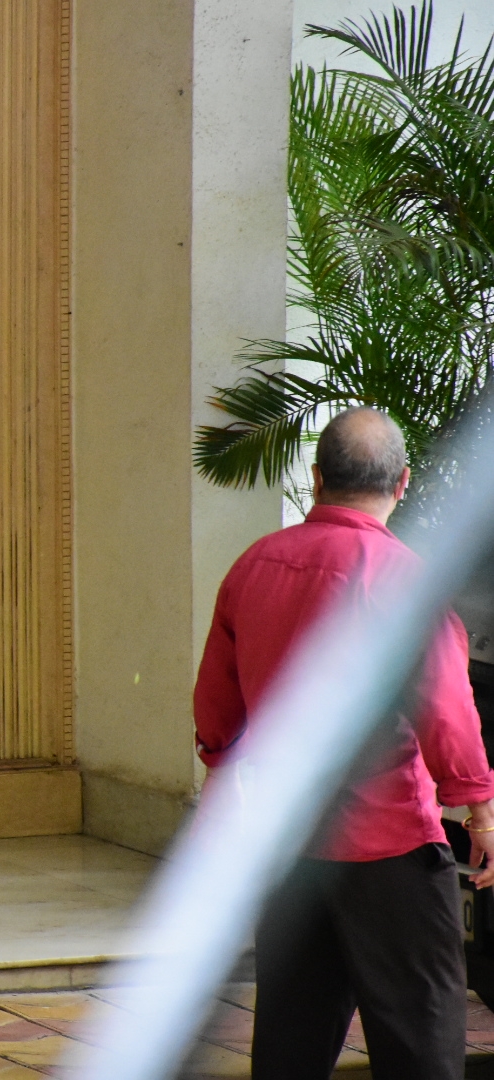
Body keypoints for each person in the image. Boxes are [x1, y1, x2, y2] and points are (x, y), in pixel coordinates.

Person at [193, 406, 494, 1080]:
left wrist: (220, 767)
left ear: (317, 477)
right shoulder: (404, 579)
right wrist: (478, 805)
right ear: (404, 482)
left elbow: (216, 697)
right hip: (389, 846)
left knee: (291, 1037)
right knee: (420, 1037)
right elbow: (444, 709)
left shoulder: (254, 566)